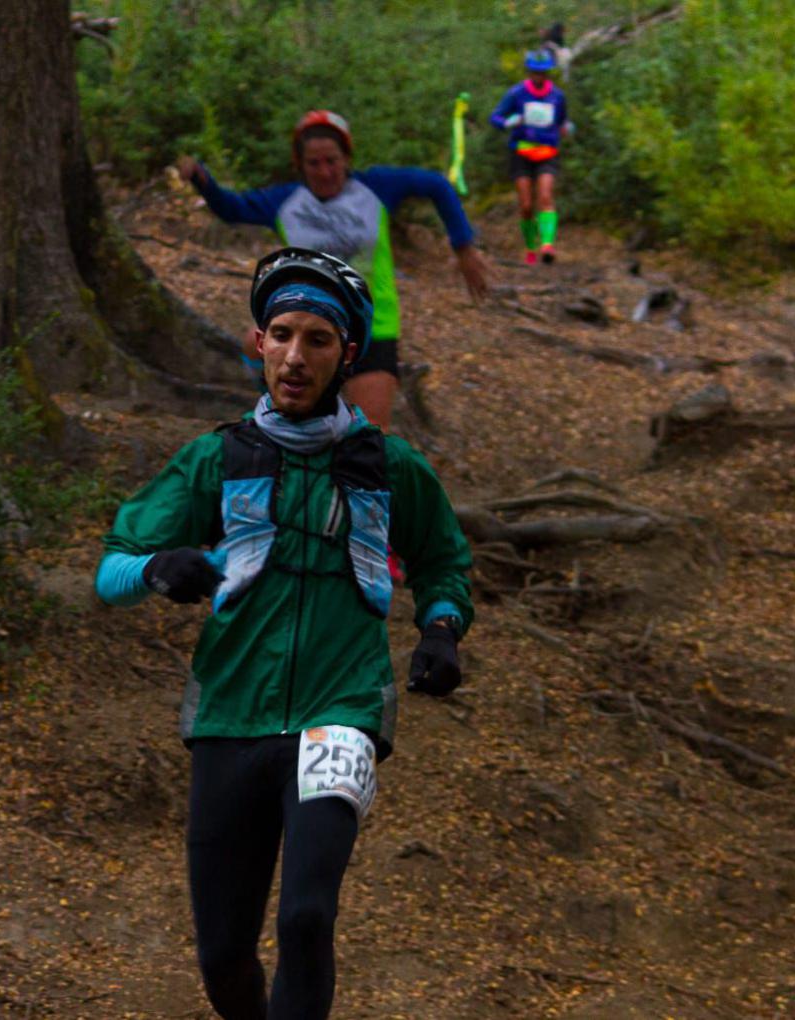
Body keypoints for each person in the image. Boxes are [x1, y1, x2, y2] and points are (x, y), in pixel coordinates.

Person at [94, 247, 473, 1020]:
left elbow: (444, 563)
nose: (296, 357)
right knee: (224, 953)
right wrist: (162, 566)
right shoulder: (215, 459)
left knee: (305, 915)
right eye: (282, 334)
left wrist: (440, 629)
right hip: (232, 711)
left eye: (318, 340)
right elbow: (112, 571)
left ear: (347, 355)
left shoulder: (392, 467)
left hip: (342, 710)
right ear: (257, 343)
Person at [177, 110, 490, 430]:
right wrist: (203, 180)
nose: (325, 171)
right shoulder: (286, 201)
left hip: (371, 325)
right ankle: (277, 409)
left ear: (347, 158)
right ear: (300, 165)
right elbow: (233, 209)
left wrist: (464, 247)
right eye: (314, 163)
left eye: (332, 160)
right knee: (253, 343)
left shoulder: (377, 188)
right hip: (308, 323)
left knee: (369, 436)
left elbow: (437, 185)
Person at [490, 50, 573, 265]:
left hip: (547, 153)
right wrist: (509, 122)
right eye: (535, 72)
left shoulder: (557, 96)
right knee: (526, 205)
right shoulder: (516, 94)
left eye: (543, 72)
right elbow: (495, 117)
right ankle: (530, 247)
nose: (539, 76)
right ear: (529, 72)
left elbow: (564, 121)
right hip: (521, 153)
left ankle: (547, 245)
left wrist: (568, 128)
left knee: (545, 196)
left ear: (548, 73)